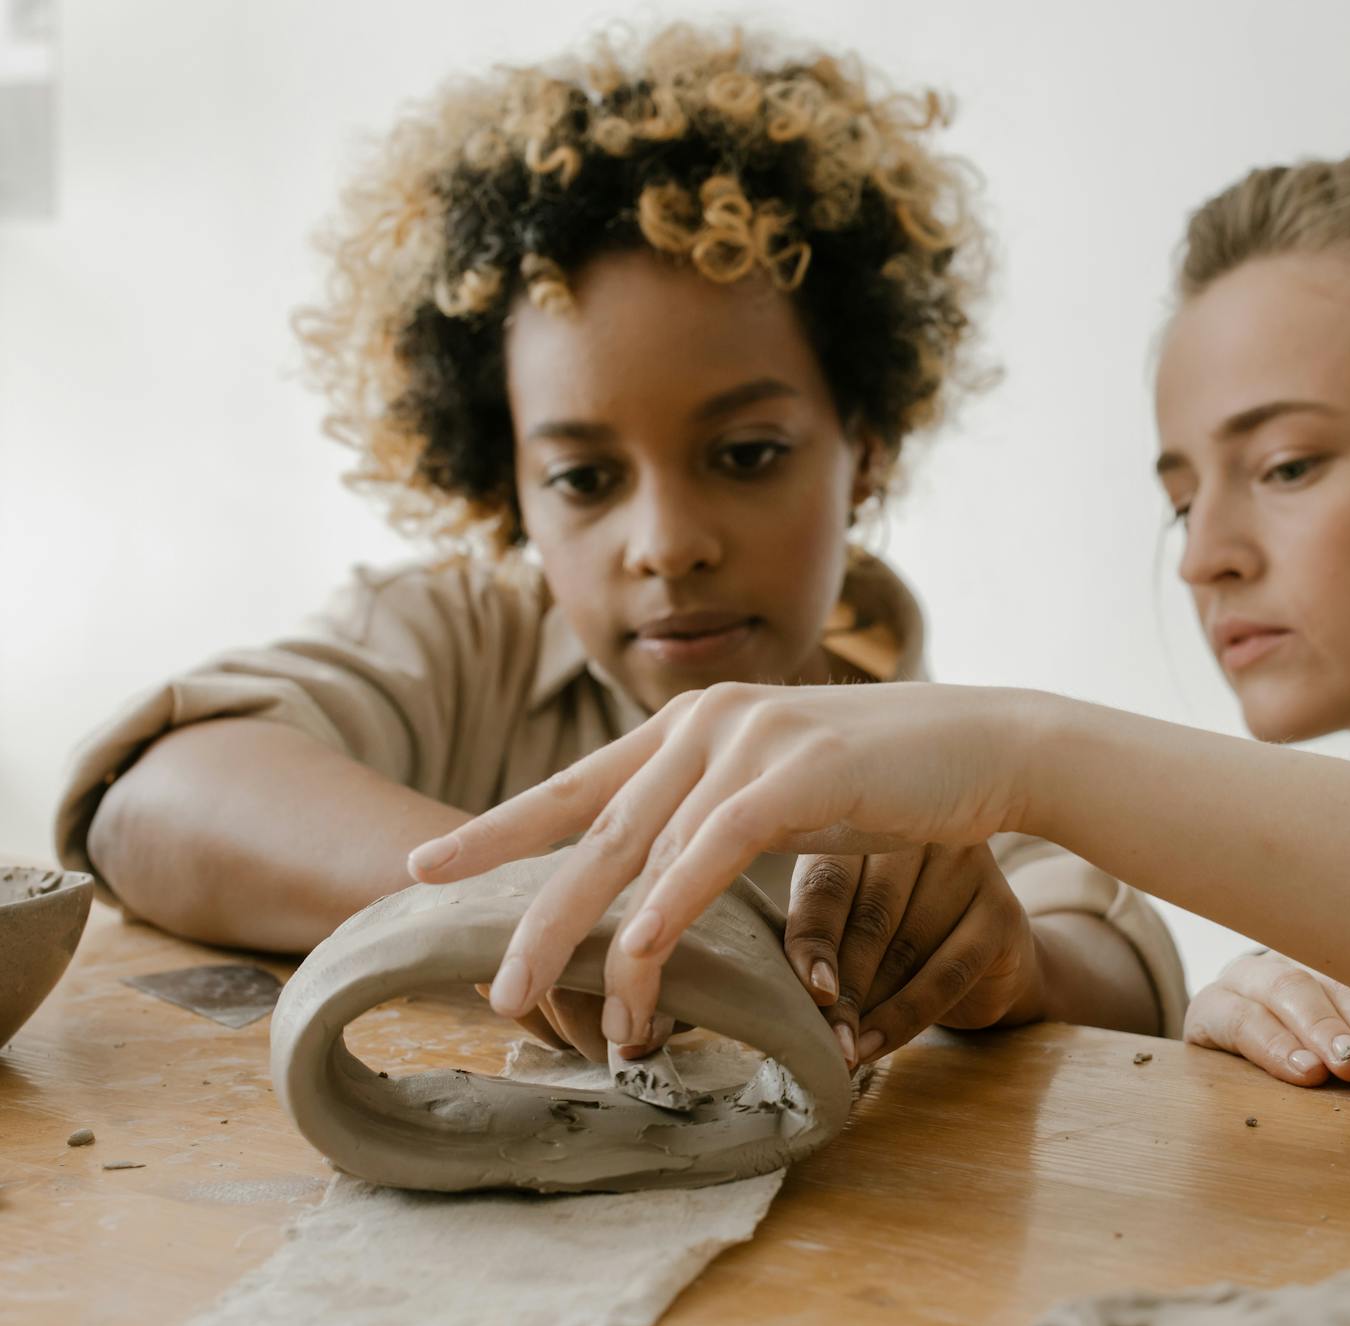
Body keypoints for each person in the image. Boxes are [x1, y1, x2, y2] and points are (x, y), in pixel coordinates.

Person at [417, 117, 1350, 1137]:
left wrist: (1022, 749)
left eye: (1289, 464)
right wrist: (1279, 1022)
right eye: (1182, 493)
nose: (1206, 555)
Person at [54, 21, 1186, 1070]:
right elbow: (153, 798)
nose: (666, 544)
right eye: (584, 479)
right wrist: (546, 895)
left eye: (744, 454)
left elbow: (1124, 976)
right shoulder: (460, 642)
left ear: (867, 445)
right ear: (507, 489)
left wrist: (1012, 966)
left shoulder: (944, 758)